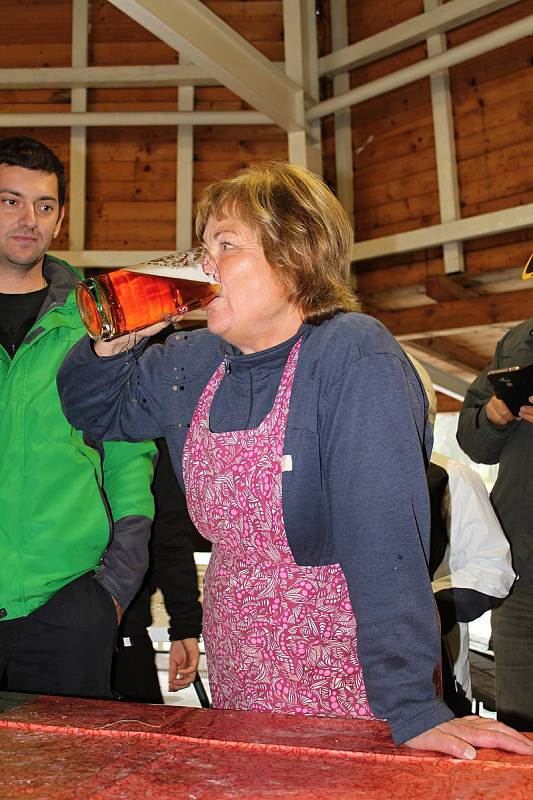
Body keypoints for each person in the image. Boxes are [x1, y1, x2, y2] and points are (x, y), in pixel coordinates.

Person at [58, 161, 533, 757]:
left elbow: (383, 540)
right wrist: (111, 346)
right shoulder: (197, 360)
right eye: (203, 247)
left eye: (225, 245)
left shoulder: (352, 355)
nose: (205, 264)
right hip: (237, 653)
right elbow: (93, 410)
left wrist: (411, 706)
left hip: (348, 670)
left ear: (295, 256)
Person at [0, 136, 156, 699]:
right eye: (9, 201)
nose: (28, 219)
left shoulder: (98, 319)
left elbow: (130, 456)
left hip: (68, 608)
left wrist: (112, 588)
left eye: (43, 206)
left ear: (60, 218)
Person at [410, 357, 515, 715]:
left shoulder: (451, 478)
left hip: (436, 676)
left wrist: (419, 606)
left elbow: (493, 571)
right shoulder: (336, 477)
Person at [456, 271, 533, 731]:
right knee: (520, 725)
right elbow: (474, 440)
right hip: (520, 571)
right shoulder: (519, 341)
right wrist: (495, 414)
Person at [113, 438, 202, 703]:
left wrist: (184, 626)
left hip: (125, 627)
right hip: (46, 623)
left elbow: (169, 537)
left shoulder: (139, 427)